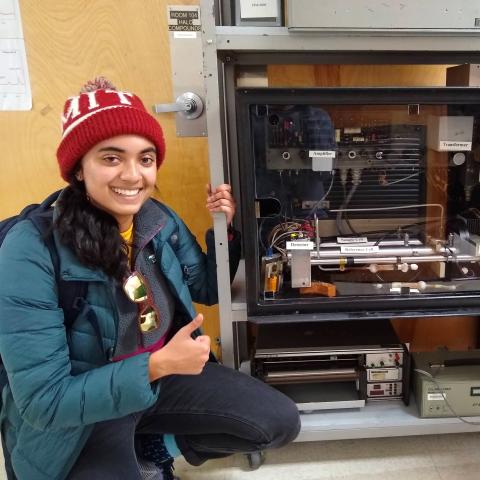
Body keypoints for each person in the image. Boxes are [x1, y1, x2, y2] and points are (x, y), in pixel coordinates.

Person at [0, 77, 300, 480]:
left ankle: (156, 446)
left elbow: (208, 289)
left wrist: (225, 231)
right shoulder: (30, 248)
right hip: (82, 410)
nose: (132, 175)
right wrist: (154, 366)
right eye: (111, 158)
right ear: (77, 168)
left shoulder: (157, 220)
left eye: (145, 158)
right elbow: (44, 403)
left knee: (277, 420)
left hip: (161, 378)